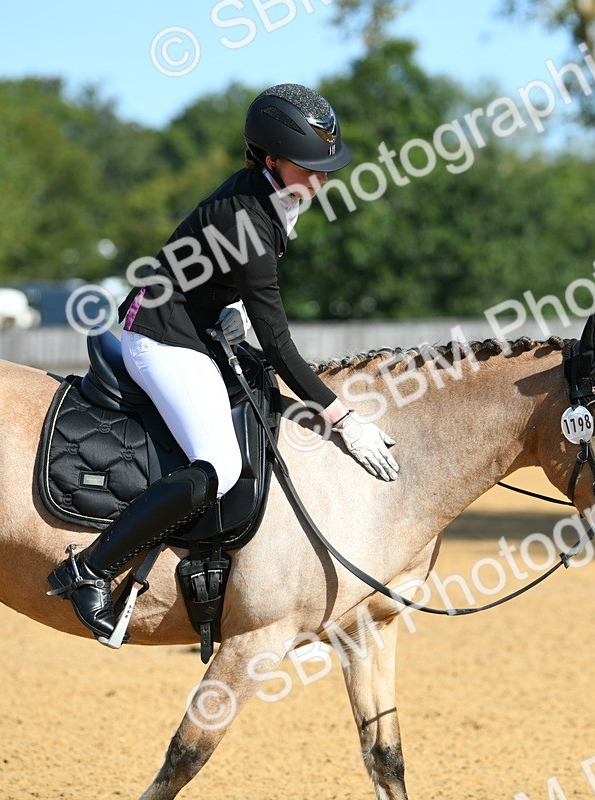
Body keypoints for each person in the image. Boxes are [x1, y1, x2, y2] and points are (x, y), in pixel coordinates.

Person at [47, 83, 400, 644]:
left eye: (325, 166)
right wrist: (344, 420)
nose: (322, 177)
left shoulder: (266, 198)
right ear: (269, 159)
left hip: (195, 328)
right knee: (219, 466)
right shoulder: (252, 222)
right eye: (309, 167)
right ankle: (89, 568)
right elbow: (281, 345)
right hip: (160, 338)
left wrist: (225, 306)